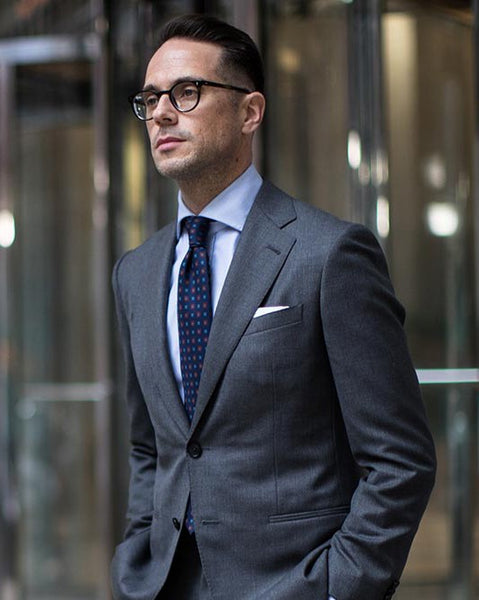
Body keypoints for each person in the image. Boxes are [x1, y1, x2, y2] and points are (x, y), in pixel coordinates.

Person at [110, 13, 436, 600]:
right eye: (151, 97)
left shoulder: (329, 253)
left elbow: (400, 460)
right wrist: (136, 560)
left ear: (249, 112)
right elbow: (152, 445)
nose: (161, 112)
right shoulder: (135, 272)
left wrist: (339, 586)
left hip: (294, 584)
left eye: (187, 92)